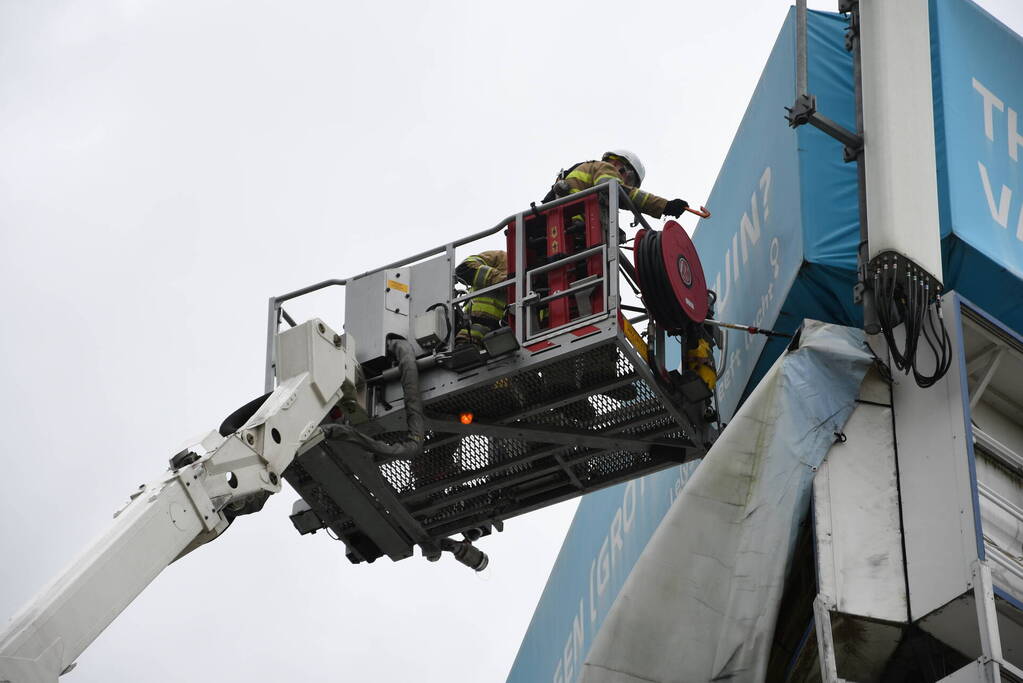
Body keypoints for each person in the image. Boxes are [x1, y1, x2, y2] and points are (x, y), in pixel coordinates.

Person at [543, 149, 691, 219]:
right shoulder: (604, 168)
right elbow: (620, 192)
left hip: (557, 224)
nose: (627, 182)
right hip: (574, 225)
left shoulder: (585, 170)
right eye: (631, 179)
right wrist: (665, 206)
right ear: (619, 163)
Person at [454, 250, 508, 347]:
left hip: (505, 332)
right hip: (475, 325)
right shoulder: (502, 257)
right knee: (465, 351)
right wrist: (501, 279)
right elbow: (465, 268)